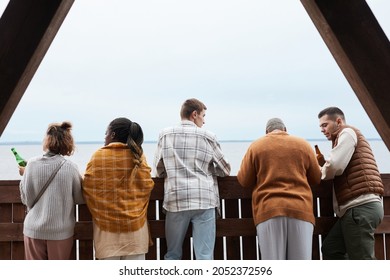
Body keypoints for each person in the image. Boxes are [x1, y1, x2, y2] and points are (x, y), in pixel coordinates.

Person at [153, 98, 231, 260]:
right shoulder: (208, 136)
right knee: (204, 256)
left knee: (173, 255)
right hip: (204, 200)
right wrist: (209, 169)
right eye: (203, 116)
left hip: (176, 199)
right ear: (194, 114)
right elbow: (225, 169)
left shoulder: (165, 135)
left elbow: (159, 169)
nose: (204, 120)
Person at [237, 117, 321, 260]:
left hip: (269, 210)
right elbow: (316, 178)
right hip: (301, 209)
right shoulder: (303, 145)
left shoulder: (256, 146)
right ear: (285, 130)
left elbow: (244, 180)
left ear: (266, 132)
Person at [83, 117, 154, 260]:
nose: (105, 137)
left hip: (107, 234)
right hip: (136, 232)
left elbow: (88, 187)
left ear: (113, 135)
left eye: (106, 133)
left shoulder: (98, 156)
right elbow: (147, 185)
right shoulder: (138, 156)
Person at [317, 106, 384, 259]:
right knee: (331, 249)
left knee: (362, 260)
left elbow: (335, 166)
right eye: (320, 126)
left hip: (360, 208)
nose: (322, 129)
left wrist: (318, 172)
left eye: (325, 125)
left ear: (338, 121)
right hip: (358, 209)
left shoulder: (346, 133)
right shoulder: (345, 136)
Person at [19, 121, 84, 260]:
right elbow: (79, 198)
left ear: (47, 140)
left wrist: (24, 175)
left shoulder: (31, 164)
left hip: (33, 230)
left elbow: (26, 199)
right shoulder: (71, 167)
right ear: (67, 142)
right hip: (60, 232)